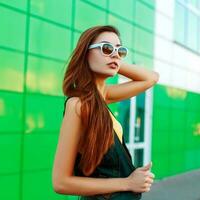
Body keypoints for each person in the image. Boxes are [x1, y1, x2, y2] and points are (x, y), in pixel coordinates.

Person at [52, 25, 159, 199]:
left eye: (120, 50)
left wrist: (113, 58)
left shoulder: (103, 97)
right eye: (106, 48)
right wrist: (128, 182)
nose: (115, 54)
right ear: (85, 53)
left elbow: (151, 78)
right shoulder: (77, 105)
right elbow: (61, 182)